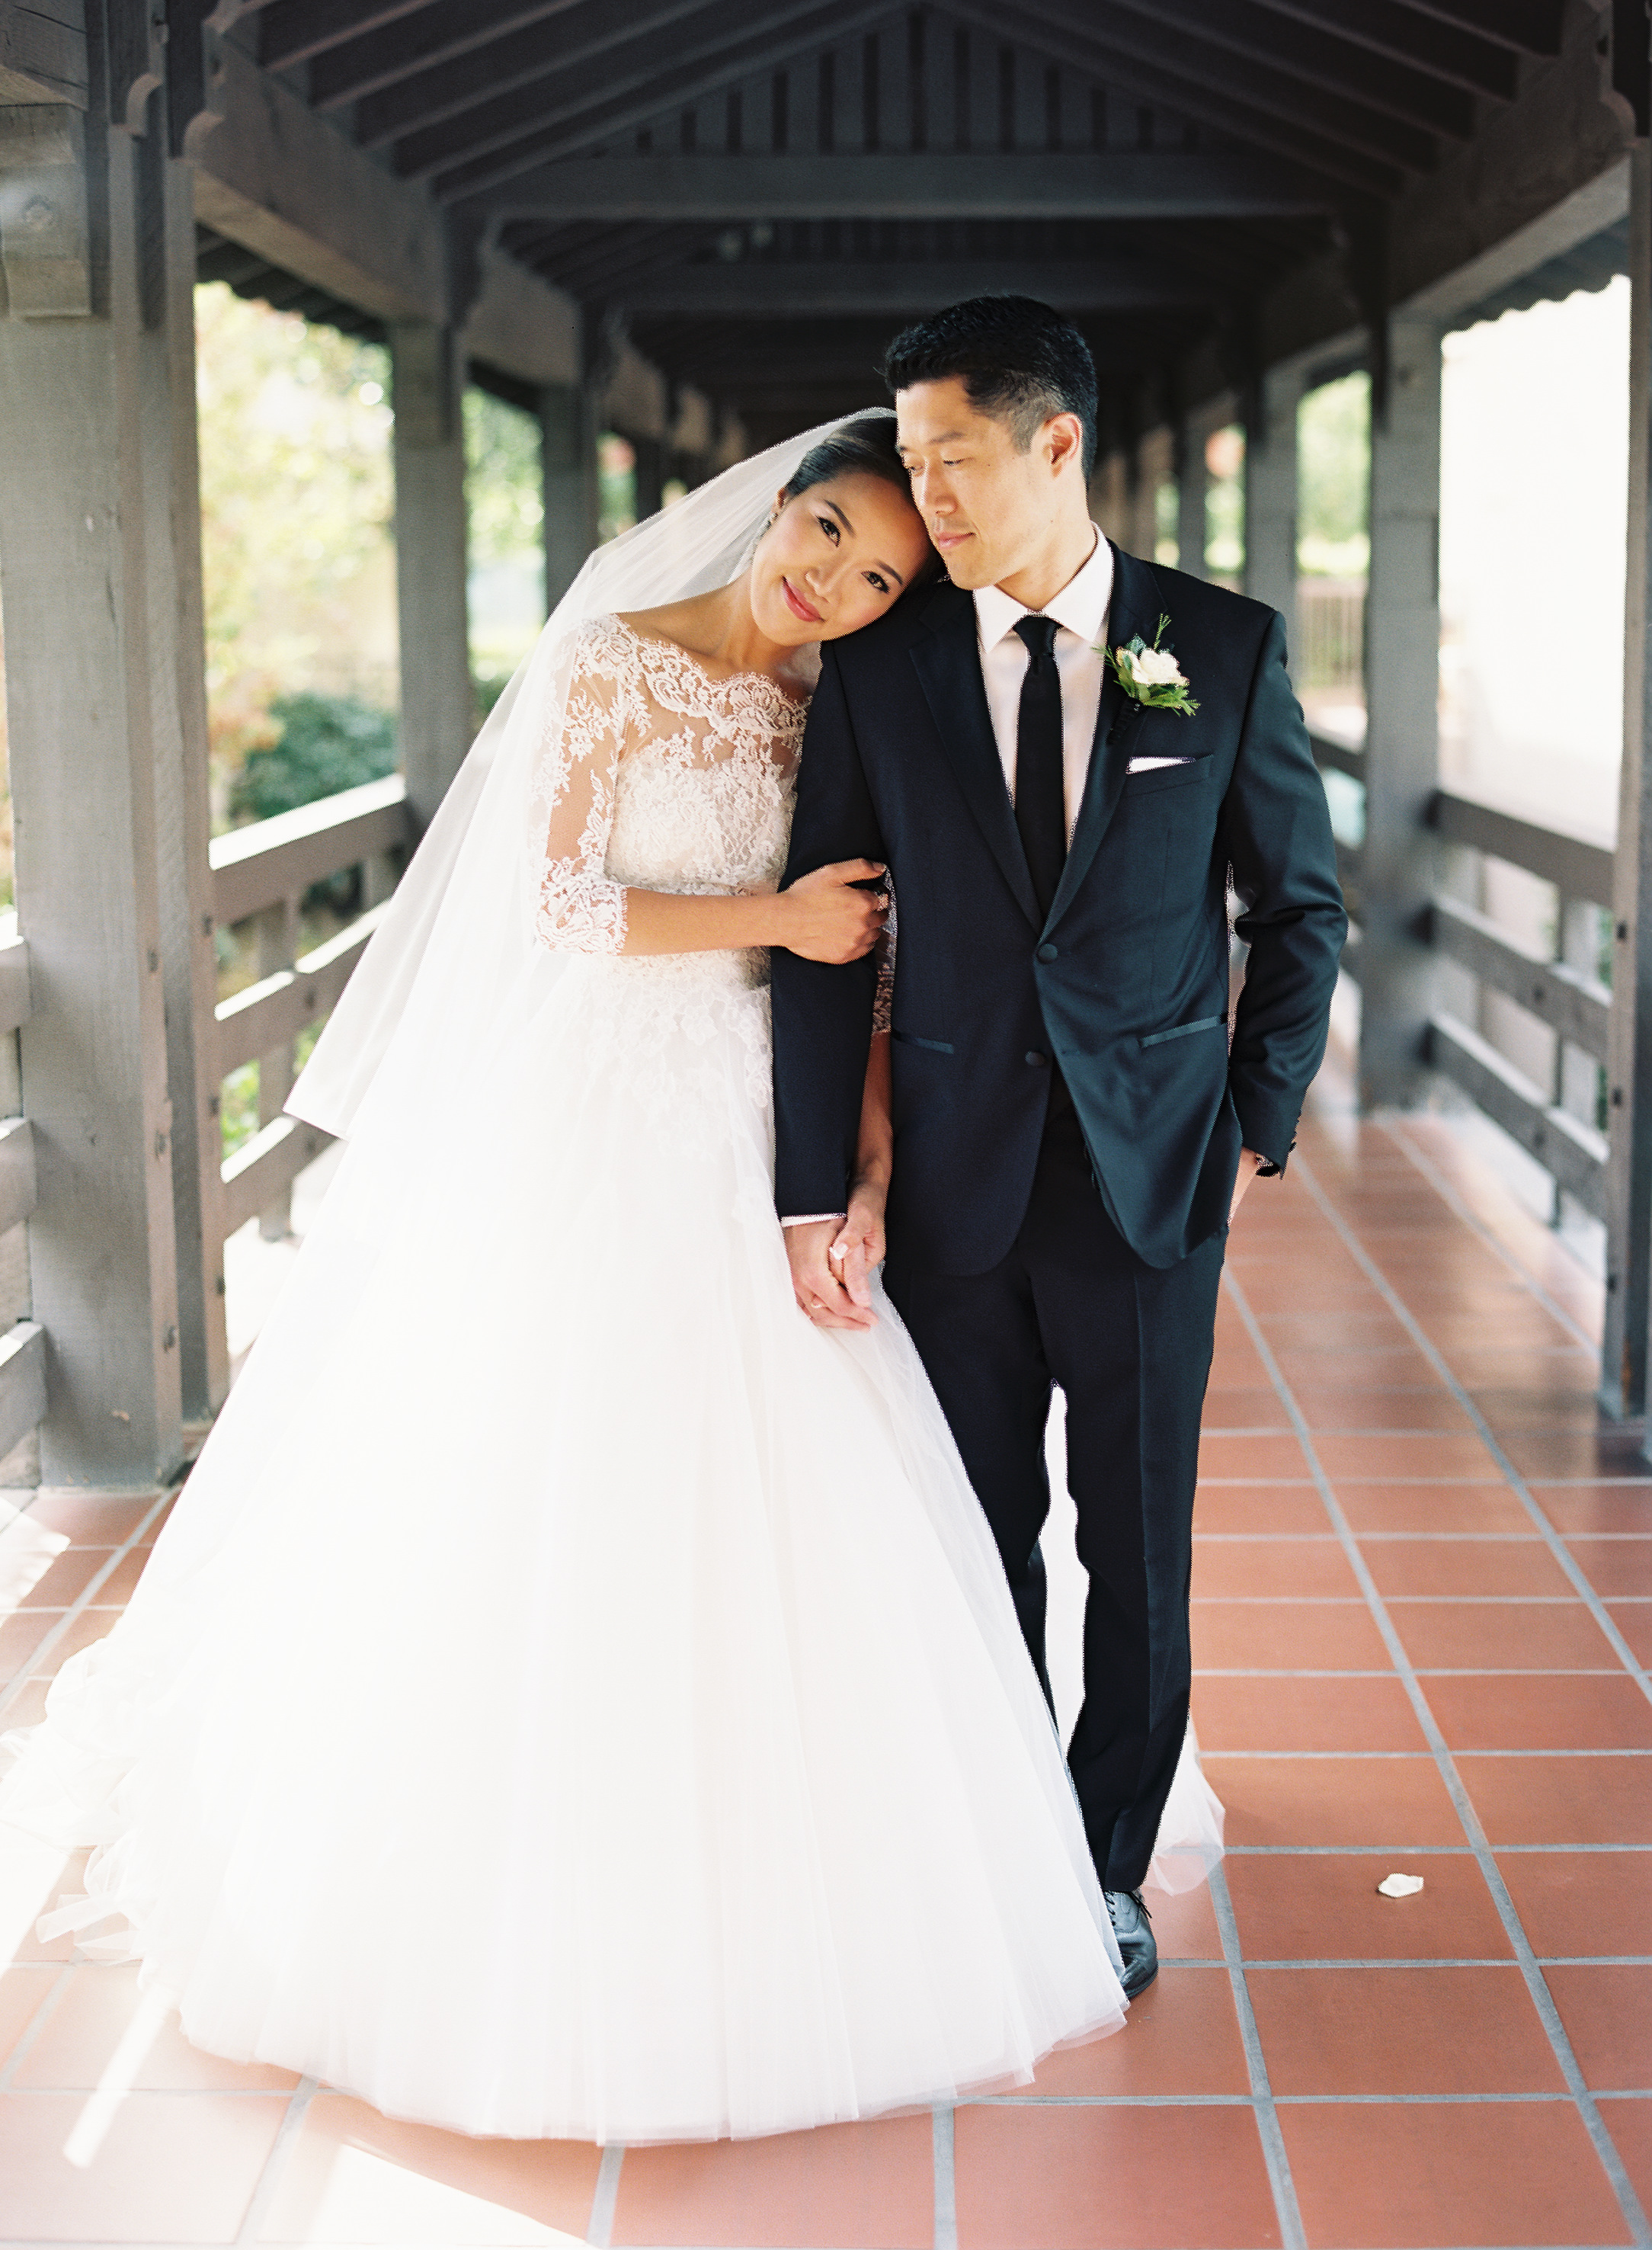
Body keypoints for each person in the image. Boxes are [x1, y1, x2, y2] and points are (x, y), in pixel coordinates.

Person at [0, 415, 1156, 2148]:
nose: (826, 581)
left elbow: (860, 948)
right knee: (550, 1468)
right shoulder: (616, 660)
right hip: (600, 1104)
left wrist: (853, 1160)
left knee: (786, 1481)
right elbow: (553, 901)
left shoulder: (835, 705)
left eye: (873, 579)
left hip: (749, 1115)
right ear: (779, 500)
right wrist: (774, 923)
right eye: (825, 533)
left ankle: (798, 1862)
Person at [776, 300, 1346, 1997]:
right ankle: (1002, 1832)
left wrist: (1256, 1114)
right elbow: (825, 941)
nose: (922, 492)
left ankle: (1104, 1866)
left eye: (951, 455)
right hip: (949, 1174)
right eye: (908, 456)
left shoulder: (1216, 648)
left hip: (1153, 1178)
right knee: (980, 1534)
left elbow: (1296, 907)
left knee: (1140, 1540)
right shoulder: (877, 671)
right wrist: (818, 1182)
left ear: (1053, 444)